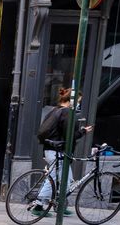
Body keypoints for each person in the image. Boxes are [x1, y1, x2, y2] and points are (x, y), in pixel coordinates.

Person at [34, 88, 93, 216]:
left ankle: (60, 205)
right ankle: (38, 206)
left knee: (67, 180)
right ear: (71, 100)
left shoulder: (55, 110)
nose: (78, 104)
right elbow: (69, 136)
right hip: (58, 151)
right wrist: (83, 132)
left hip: (49, 150)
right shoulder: (66, 112)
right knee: (54, 179)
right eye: (78, 101)